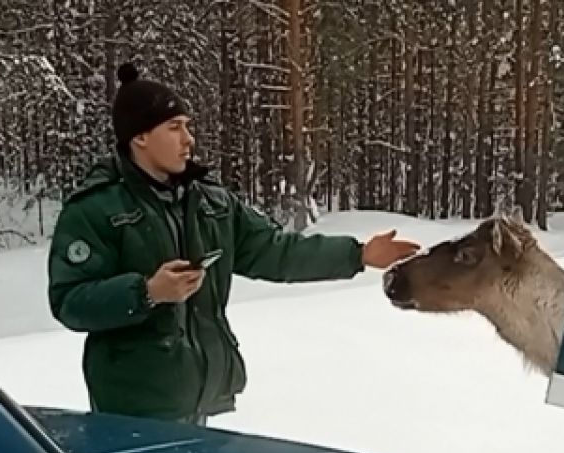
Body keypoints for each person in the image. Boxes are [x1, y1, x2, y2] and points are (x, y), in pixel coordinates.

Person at [47, 63, 419, 426]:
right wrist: (146, 292)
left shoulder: (212, 203)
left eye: (187, 128)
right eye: (174, 128)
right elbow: (70, 302)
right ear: (140, 137)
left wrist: (357, 254)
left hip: (199, 399)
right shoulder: (97, 209)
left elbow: (276, 252)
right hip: (131, 410)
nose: (188, 140)